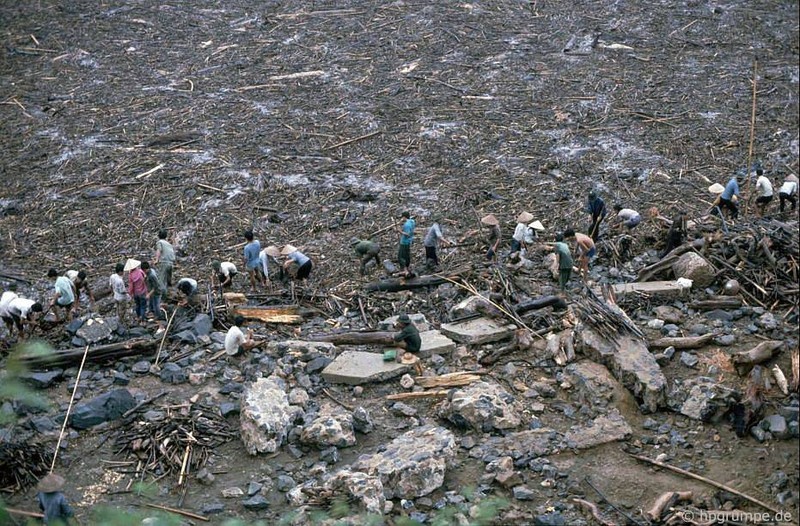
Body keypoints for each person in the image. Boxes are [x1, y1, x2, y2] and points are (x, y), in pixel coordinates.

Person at [142, 261, 165, 332]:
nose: (144, 272)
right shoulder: (149, 272)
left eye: (144, 271)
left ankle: (160, 321)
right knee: (151, 305)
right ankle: (154, 316)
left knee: (156, 307)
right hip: (152, 292)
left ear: (146, 269)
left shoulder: (152, 275)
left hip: (157, 292)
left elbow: (156, 287)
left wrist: (149, 294)